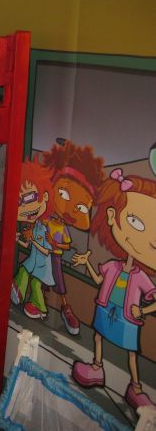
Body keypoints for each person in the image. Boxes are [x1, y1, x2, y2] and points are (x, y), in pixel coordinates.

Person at [71, 169, 156, 413]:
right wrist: (86, 262)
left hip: (127, 317)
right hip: (106, 308)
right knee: (98, 337)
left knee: (131, 352)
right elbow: (99, 279)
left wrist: (143, 310)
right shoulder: (112, 266)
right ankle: (97, 368)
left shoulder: (141, 277)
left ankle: (135, 388)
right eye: (135, 222)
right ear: (111, 216)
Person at [42, 141, 104, 335]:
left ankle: (64, 307)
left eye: (82, 207)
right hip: (40, 252)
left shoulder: (61, 227)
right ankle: (40, 299)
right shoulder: (46, 218)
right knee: (39, 276)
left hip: (54, 255)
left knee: (57, 279)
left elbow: (66, 245)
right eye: (63, 194)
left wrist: (56, 244)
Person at [11, 159, 55, 319]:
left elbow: (46, 251)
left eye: (29, 197)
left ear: (45, 196)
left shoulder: (45, 228)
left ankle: (40, 308)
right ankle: (18, 292)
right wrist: (18, 240)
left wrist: (34, 241)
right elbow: (28, 245)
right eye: (18, 202)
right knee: (23, 270)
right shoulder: (34, 226)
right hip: (32, 261)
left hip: (42, 265)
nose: (25, 208)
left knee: (36, 284)